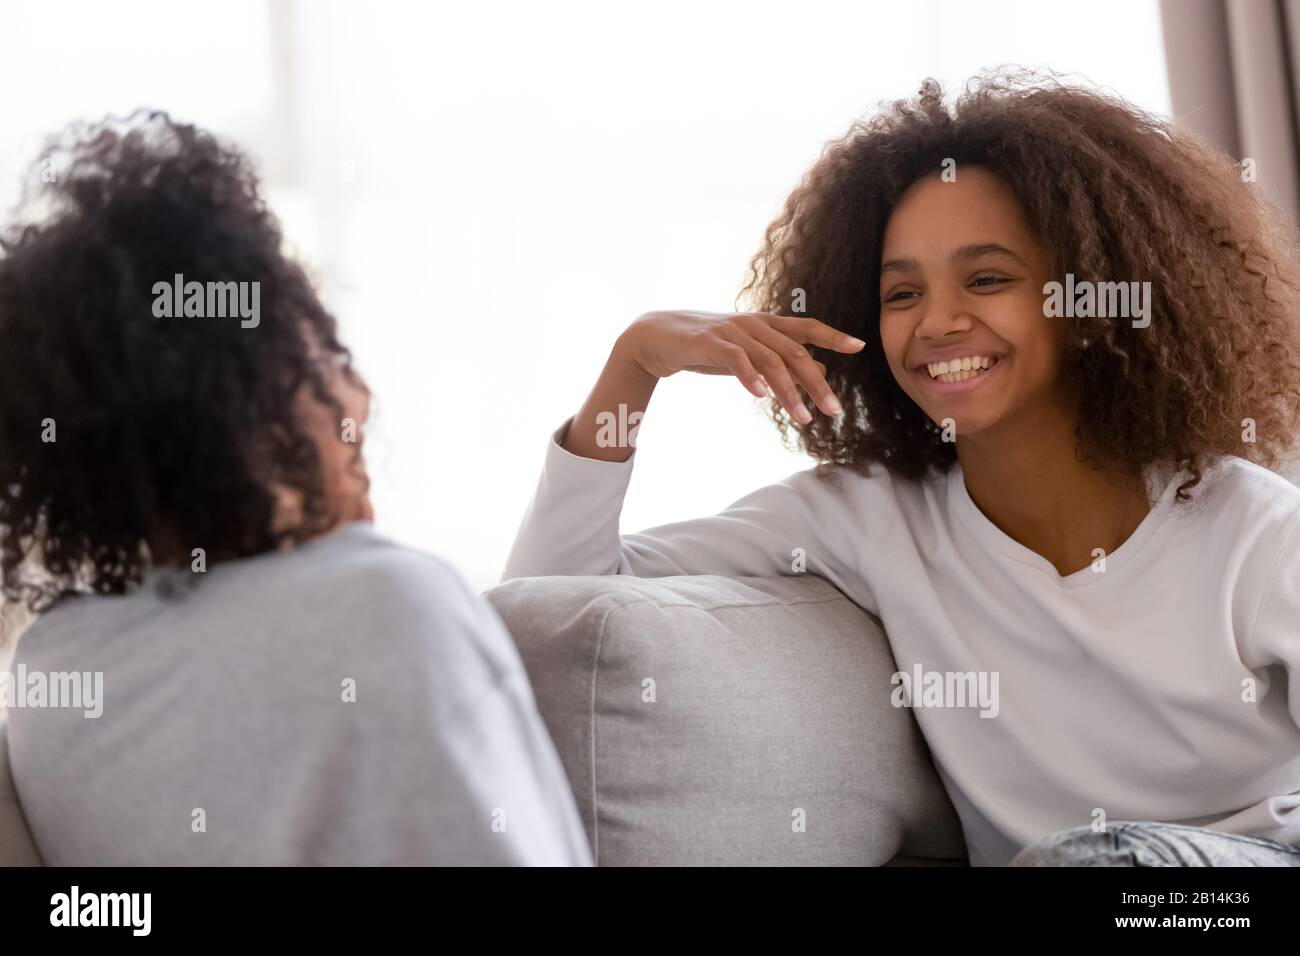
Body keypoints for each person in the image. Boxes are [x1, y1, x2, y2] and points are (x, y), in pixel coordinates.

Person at [504, 72, 1300, 867]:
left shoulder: (1257, 535)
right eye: (901, 292)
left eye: (987, 278)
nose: (939, 322)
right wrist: (634, 363)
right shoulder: (872, 516)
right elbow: (544, 613)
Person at [0, 112, 590, 865]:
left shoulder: (56, 665)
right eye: (317, 359)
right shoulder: (384, 604)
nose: (358, 398)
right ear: (229, 404)